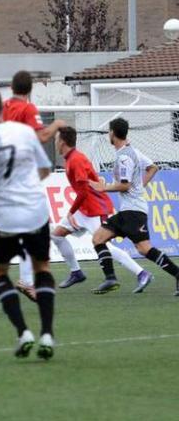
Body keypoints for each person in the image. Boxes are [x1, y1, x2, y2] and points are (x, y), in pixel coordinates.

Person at [0, 85, 57, 360]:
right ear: (3, 109)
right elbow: (44, 169)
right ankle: (48, 335)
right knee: (42, 268)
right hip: (35, 213)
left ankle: (23, 332)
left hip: (3, 219)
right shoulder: (25, 132)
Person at [51, 126, 152, 293]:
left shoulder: (76, 160)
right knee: (56, 235)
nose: (54, 142)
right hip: (83, 208)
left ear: (62, 142)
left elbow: (84, 191)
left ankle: (142, 273)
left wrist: (70, 212)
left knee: (105, 246)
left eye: (56, 139)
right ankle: (76, 272)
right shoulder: (70, 158)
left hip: (96, 208)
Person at [89, 118, 179, 297]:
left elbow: (125, 186)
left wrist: (103, 187)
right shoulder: (133, 152)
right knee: (98, 238)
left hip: (134, 212)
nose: (109, 134)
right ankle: (111, 278)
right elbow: (153, 167)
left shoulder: (124, 157)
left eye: (109, 131)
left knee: (144, 249)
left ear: (113, 133)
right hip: (127, 211)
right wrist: (140, 185)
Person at [3, 70, 66, 299]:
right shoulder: (27, 108)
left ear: (12, 87)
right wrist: (57, 123)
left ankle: (26, 278)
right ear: (30, 89)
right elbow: (41, 136)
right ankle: (27, 280)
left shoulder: (4, 107)